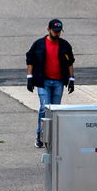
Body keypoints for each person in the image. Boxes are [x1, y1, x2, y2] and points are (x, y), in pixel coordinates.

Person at [25, 18, 75, 148]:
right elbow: (30, 60)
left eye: (59, 31)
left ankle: (52, 136)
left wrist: (71, 79)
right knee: (44, 108)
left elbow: (70, 62)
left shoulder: (64, 45)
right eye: (55, 31)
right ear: (48, 30)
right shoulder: (39, 44)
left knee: (55, 110)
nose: (57, 33)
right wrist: (29, 78)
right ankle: (40, 135)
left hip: (59, 82)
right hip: (44, 82)